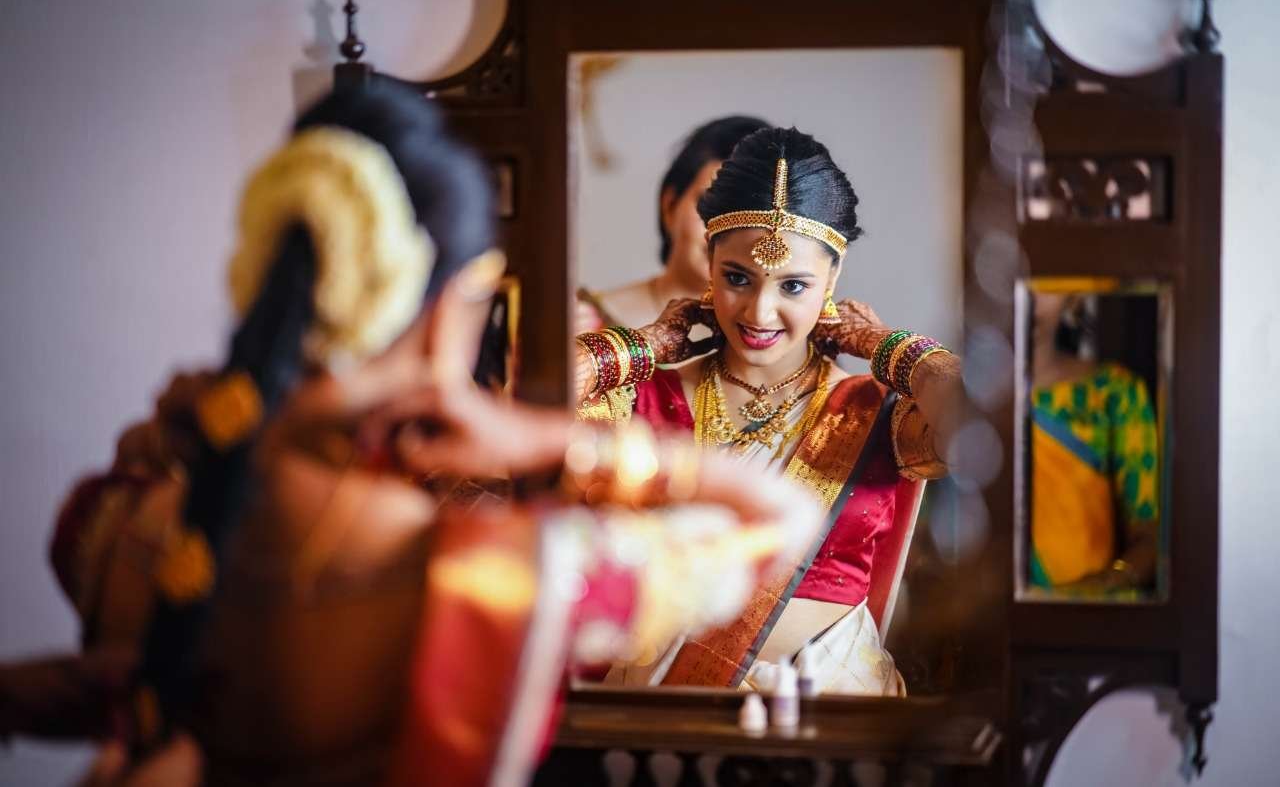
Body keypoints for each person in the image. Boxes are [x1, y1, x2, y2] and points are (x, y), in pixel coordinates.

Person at [38, 84, 820, 786]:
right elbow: (783, 518)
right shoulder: (493, 577)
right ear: (452, 309)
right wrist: (547, 441)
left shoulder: (110, 521)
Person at [573, 126, 963, 694]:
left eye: (794, 286)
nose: (760, 311)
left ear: (832, 278)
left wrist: (882, 344)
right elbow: (531, 405)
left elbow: (974, 419)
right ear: (710, 263)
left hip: (836, 711)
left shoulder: (876, 413)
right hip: (662, 713)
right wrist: (648, 343)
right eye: (738, 278)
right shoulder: (645, 396)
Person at [577, 115, 769, 331]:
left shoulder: (781, 335)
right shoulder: (581, 326)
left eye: (749, 215)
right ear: (669, 206)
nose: (725, 229)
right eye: (711, 207)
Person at [1027, 284, 1159, 596]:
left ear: (1073, 298)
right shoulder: (957, 397)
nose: (1029, 295)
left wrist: (1090, 593)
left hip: (1089, 616)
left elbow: (1150, 539)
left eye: (1046, 282)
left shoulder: (1114, 393)